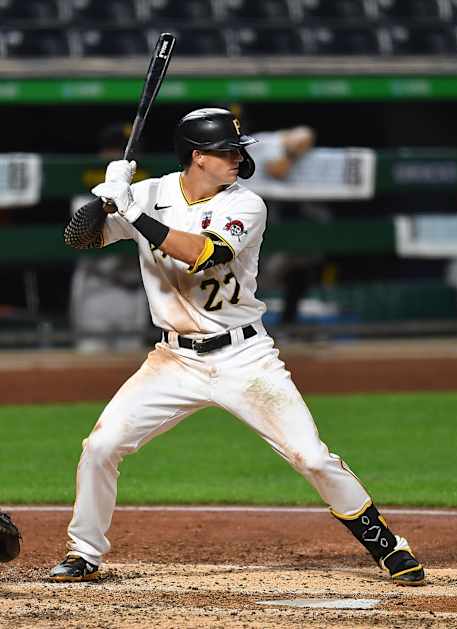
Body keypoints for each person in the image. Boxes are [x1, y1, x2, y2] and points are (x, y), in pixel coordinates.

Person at [49, 108, 425, 586]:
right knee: (101, 445)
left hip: (244, 358)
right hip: (173, 359)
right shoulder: (148, 194)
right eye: (226, 151)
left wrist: (133, 211)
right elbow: (77, 239)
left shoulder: (246, 205)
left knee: (310, 456)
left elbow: (204, 255)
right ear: (197, 156)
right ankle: (84, 553)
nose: (236, 159)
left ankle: (386, 543)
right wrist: (103, 199)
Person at [69, 123, 149, 352]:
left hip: (135, 290)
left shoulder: (146, 189)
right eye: (114, 150)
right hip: (97, 288)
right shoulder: (87, 189)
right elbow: (86, 225)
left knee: (130, 366)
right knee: (89, 361)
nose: (120, 157)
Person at [246, 126, 330, 325]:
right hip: (245, 225)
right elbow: (277, 170)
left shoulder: (270, 141)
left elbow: (305, 135)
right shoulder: (258, 146)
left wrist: (292, 152)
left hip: (274, 224)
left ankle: (287, 324)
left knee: (299, 265)